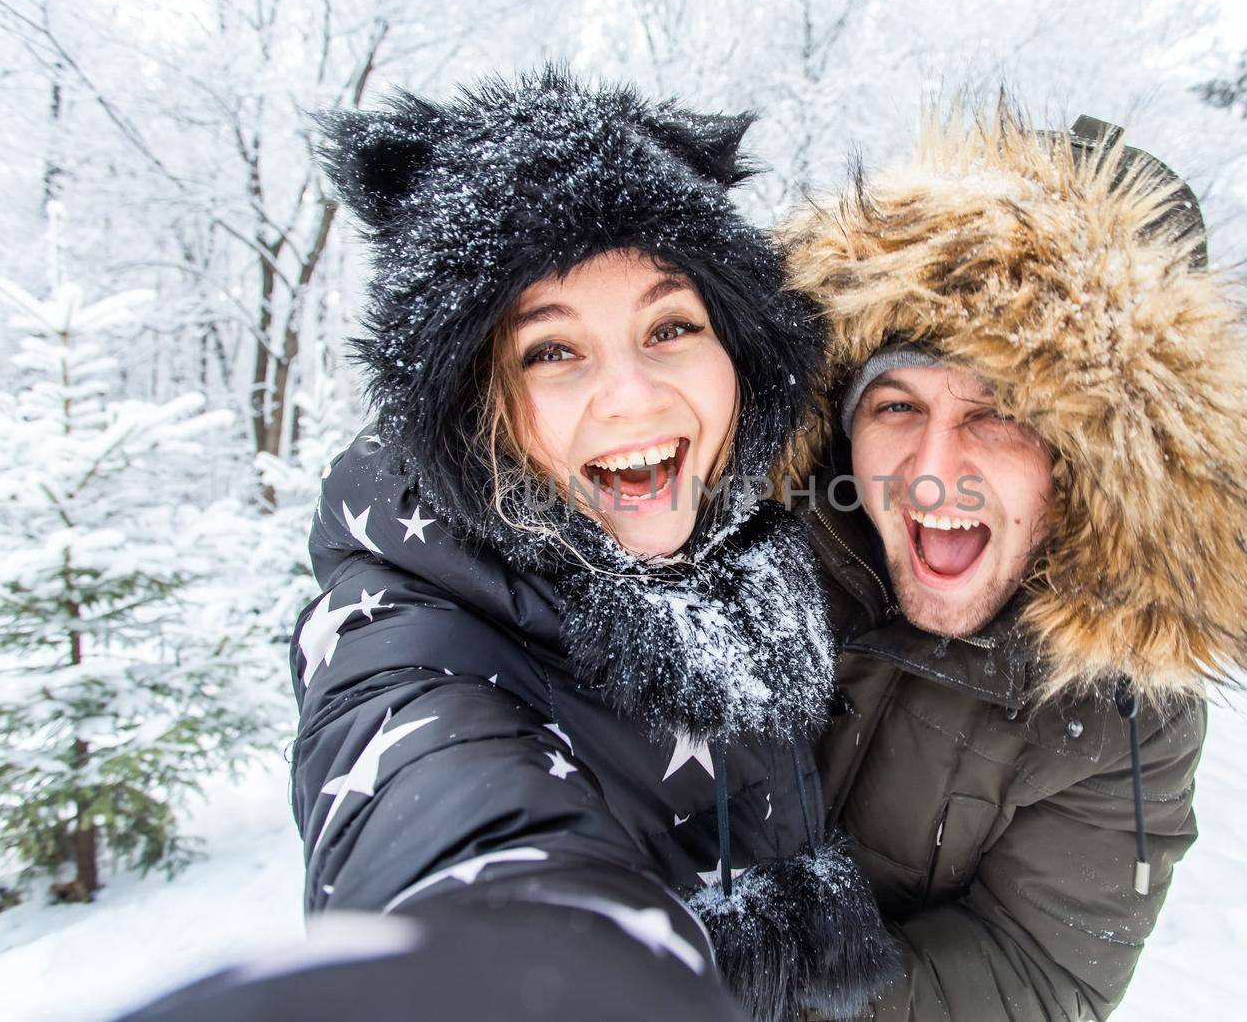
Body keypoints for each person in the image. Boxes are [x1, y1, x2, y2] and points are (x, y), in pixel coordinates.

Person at [117, 67, 893, 1022]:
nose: (634, 394)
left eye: (672, 325)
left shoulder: (758, 542)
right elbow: (446, 810)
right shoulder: (409, 616)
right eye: (551, 349)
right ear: (473, 398)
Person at [778, 110, 1247, 1019]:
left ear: (1097, 462)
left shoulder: (1129, 703)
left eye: (1002, 412)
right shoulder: (759, 544)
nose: (932, 473)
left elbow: (1040, 973)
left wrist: (766, 991)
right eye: (896, 405)